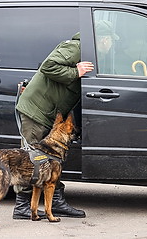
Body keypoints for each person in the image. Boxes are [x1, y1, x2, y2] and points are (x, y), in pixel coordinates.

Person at [13, 20, 118, 219]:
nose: (111, 44)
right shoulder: (77, 47)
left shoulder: (90, 55)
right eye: (111, 40)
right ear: (102, 40)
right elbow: (48, 65)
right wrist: (75, 72)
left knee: (52, 160)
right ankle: (22, 206)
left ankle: (56, 201)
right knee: (31, 160)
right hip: (36, 111)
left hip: (49, 114)